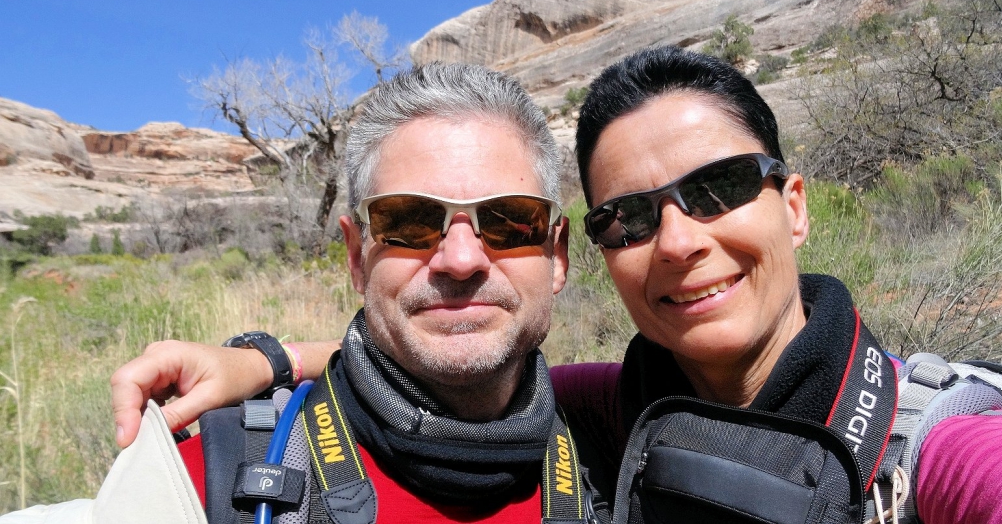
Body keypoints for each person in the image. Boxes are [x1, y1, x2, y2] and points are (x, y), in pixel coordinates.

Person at [106, 48, 1002, 524]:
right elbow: (448, 350)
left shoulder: (948, 448)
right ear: (357, 255)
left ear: (793, 204)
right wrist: (264, 362)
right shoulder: (616, 410)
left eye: (715, 190)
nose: (677, 241)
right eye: (631, 217)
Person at [0, 62, 601, 524]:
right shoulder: (206, 481)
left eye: (510, 221)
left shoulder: (622, 435)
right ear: (355, 259)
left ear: (557, 255)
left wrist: (274, 358)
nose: (462, 259)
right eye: (410, 220)